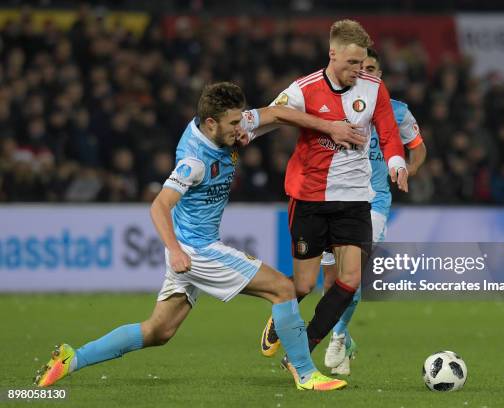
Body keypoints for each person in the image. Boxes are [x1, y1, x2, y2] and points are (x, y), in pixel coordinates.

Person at [34, 82, 366, 391]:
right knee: (282, 288)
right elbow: (159, 206)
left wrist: (324, 126)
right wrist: (176, 251)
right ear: (210, 123)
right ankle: (306, 373)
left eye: (241, 121)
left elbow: (275, 113)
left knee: (158, 331)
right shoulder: (194, 161)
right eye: (234, 123)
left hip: (192, 247)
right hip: (197, 250)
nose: (241, 128)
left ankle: (71, 358)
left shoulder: (224, 127)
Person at [254, 20, 408, 372]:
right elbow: (274, 113)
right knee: (305, 285)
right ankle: (280, 317)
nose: (359, 70)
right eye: (352, 63)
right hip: (310, 197)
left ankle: (301, 352)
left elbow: (387, 131)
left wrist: (397, 161)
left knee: (350, 280)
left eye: (363, 62)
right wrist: (327, 127)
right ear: (332, 54)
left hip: (355, 198)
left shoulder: (373, 87)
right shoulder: (304, 89)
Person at [321, 48, 427, 375]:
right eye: (359, 66)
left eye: (371, 68)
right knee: (330, 282)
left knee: (352, 274)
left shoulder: (397, 112)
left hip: (374, 203)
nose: (365, 72)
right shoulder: (336, 105)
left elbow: (418, 148)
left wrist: (406, 169)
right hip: (334, 199)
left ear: (379, 75)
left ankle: (337, 336)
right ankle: (347, 338)